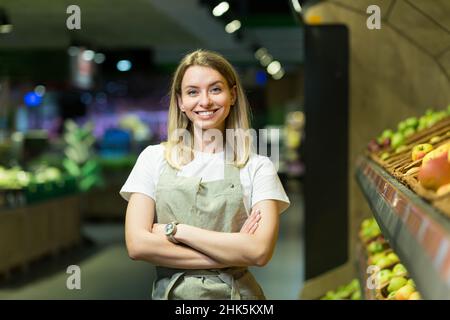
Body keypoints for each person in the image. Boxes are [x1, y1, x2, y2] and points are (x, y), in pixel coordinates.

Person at [120, 49, 290, 300]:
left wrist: (175, 231)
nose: (205, 101)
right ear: (180, 101)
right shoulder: (153, 158)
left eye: (215, 89)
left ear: (232, 95)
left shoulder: (258, 167)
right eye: (192, 92)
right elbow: (137, 244)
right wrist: (231, 251)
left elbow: (259, 252)